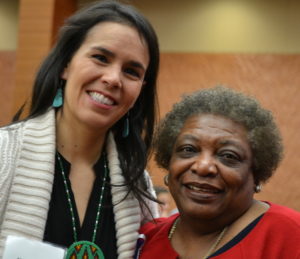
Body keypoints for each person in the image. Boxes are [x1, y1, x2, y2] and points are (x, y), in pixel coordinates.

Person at [0, 1, 160, 258]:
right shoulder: (3, 155)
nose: (112, 78)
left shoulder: (138, 185)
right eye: (100, 58)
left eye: (131, 71)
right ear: (65, 64)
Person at [138, 87, 300, 259]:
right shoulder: (146, 239)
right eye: (188, 149)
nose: (203, 166)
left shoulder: (289, 235)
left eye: (228, 156)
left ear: (257, 174)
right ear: (169, 162)